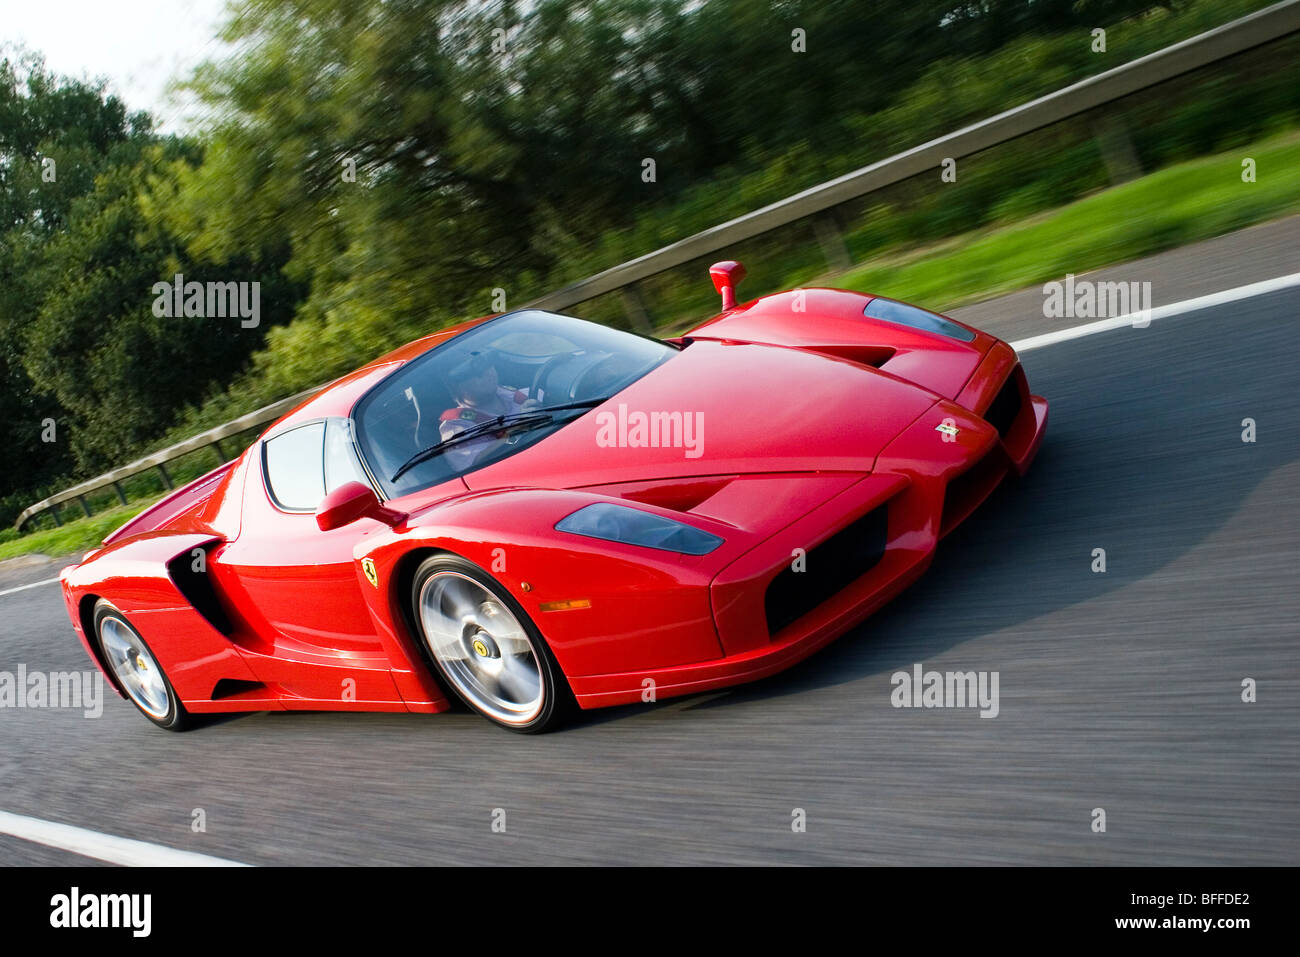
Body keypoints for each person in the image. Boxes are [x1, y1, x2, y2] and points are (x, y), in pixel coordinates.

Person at [438, 351, 540, 470]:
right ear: (456, 387)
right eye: (472, 372)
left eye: (485, 363)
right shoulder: (455, 428)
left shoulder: (517, 393)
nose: (485, 372)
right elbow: (473, 468)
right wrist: (517, 429)